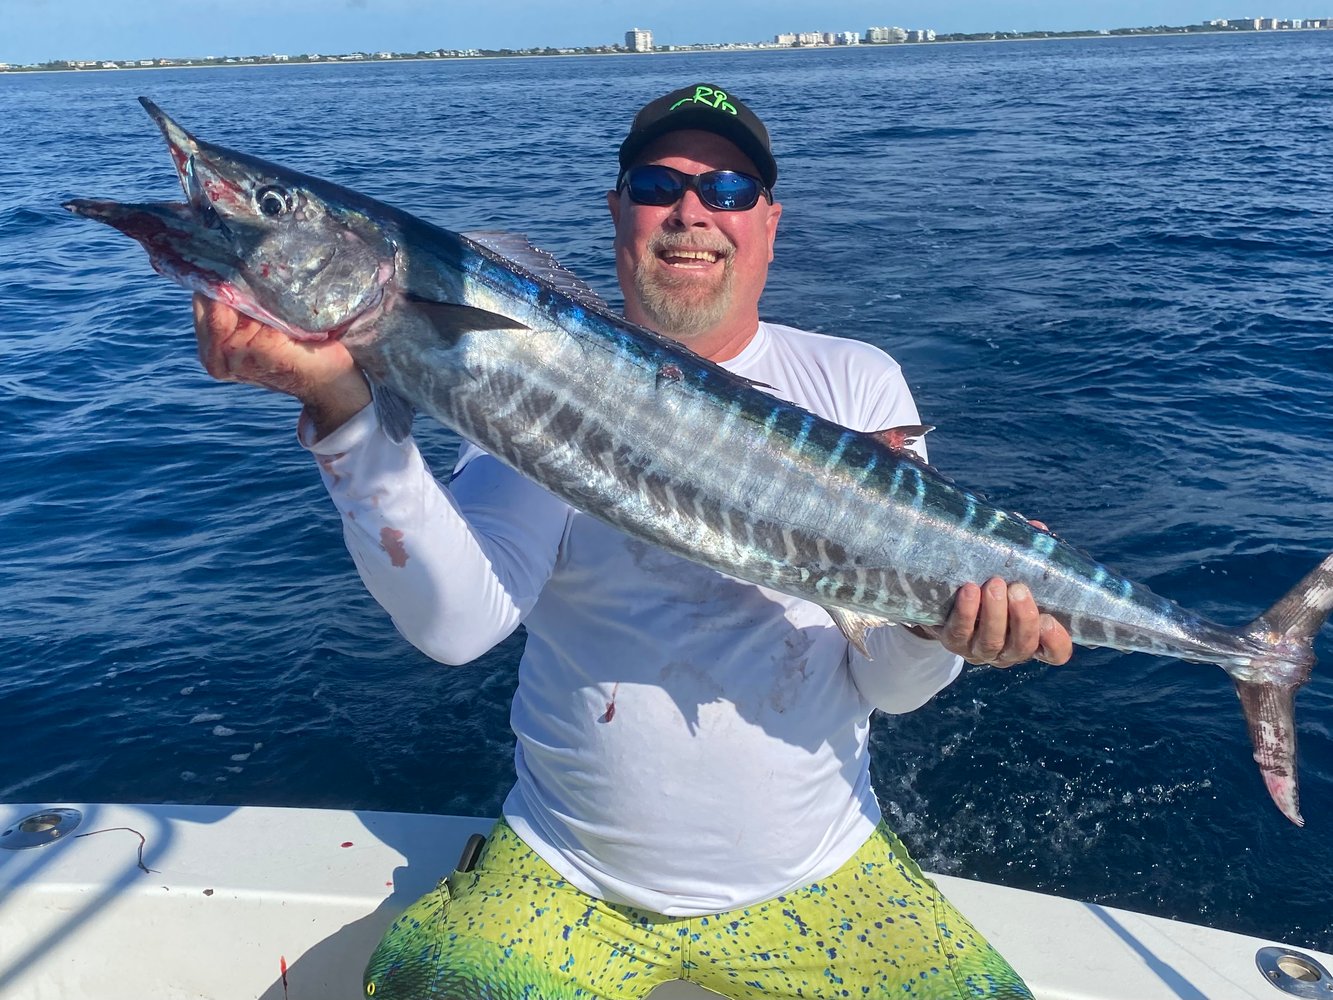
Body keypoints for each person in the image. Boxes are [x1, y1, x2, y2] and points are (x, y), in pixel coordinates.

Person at [194, 83, 1072, 999]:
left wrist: (947, 638)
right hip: (567, 875)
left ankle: (1232, 654)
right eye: (658, 184)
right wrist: (341, 412)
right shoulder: (541, 380)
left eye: (728, 191)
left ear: (768, 221)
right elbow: (456, 628)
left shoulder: (854, 382)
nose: (692, 211)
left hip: (823, 870)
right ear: (617, 209)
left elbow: (886, 688)